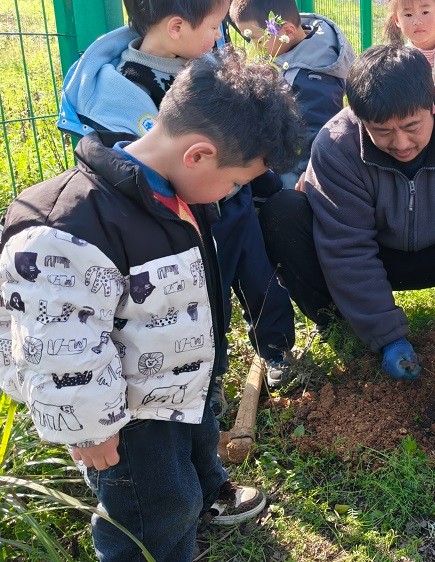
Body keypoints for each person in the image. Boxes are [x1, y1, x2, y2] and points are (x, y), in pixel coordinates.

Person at [0, 53, 302, 562]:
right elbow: (60, 348)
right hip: (127, 418)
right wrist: (92, 429)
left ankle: (206, 495)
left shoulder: (174, 192)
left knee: (194, 452)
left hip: (178, 383)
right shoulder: (67, 232)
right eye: (235, 182)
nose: (233, 194)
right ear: (198, 155)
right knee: (151, 510)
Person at [259, 46, 435, 381]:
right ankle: (340, 320)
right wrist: (387, 336)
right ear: (359, 118)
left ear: (432, 105)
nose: (401, 143)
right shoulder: (337, 147)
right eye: (382, 131)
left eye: (412, 126)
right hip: (380, 256)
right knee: (283, 213)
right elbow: (347, 249)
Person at [58, 0, 299, 388]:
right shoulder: (127, 88)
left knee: (259, 274)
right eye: (214, 27)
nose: (220, 36)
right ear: (176, 27)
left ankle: (276, 348)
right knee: (203, 297)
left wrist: (262, 185)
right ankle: (208, 376)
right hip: (180, 219)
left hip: (230, 200)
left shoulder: (211, 69)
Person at [229, 0, 356, 190]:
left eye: (255, 39)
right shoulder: (293, 42)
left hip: (300, 169)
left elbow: (319, 131)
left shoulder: (313, 80)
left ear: (287, 32)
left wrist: (309, 170)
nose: (254, 47)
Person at [382, 0, 435, 81]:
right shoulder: (397, 62)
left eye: (425, 12)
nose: (417, 22)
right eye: (408, 15)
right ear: (397, 20)